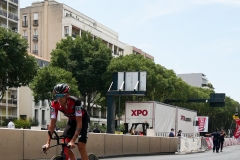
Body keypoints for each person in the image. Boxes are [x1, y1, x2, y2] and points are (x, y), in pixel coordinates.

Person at [42, 83, 90, 160]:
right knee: (65, 144)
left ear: (67, 95)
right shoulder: (55, 104)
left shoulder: (76, 102)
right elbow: (52, 124)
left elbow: (79, 123)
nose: (59, 99)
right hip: (72, 121)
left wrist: (73, 140)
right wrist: (48, 143)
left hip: (82, 120)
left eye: (61, 96)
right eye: (57, 96)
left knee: (81, 146)